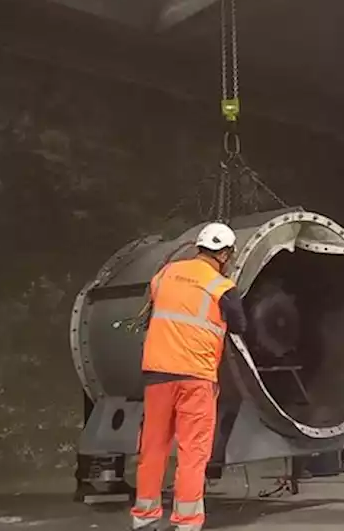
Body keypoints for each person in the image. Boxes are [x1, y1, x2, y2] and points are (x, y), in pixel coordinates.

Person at [132, 222, 247, 531]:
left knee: (153, 446)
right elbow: (240, 325)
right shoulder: (222, 287)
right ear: (224, 254)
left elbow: (155, 300)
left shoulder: (165, 274)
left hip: (158, 374)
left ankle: (144, 517)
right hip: (196, 377)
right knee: (193, 451)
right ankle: (186, 521)